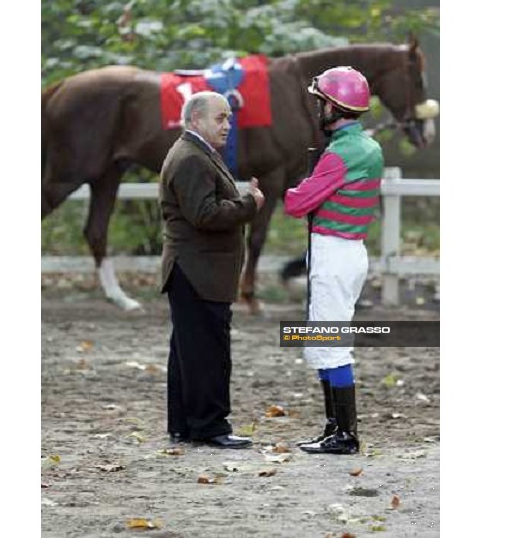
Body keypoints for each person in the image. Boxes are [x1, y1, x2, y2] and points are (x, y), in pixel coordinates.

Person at [284, 67, 383, 455]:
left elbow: (296, 204)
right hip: (347, 250)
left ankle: (344, 434)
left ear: (334, 106)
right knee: (325, 338)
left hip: (334, 253)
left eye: (320, 102)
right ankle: (333, 428)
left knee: (332, 342)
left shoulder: (340, 154)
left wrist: (299, 186)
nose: (318, 109)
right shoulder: (368, 146)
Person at [159, 91, 265, 449]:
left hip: (196, 271)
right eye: (219, 118)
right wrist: (249, 204)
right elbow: (204, 214)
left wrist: (239, 202)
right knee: (207, 352)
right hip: (197, 271)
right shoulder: (190, 157)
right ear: (194, 121)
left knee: (189, 352)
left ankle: (185, 425)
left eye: (229, 119)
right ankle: (210, 426)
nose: (227, 125)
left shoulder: (196, 153)